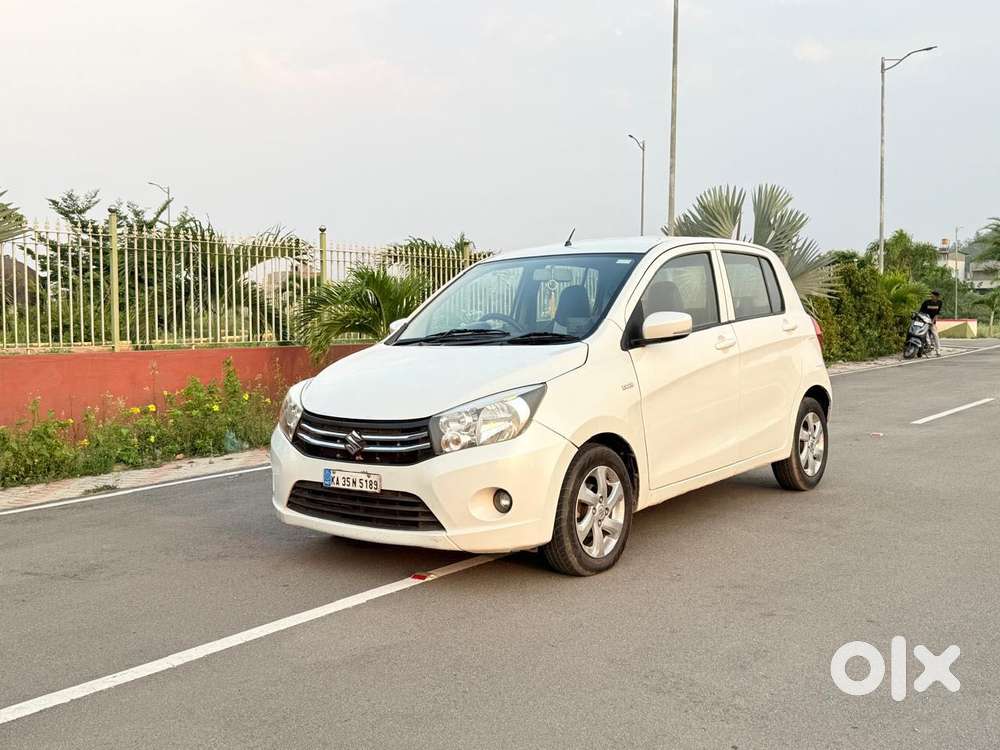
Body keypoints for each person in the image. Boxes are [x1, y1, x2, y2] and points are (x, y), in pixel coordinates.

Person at [919, 290, 944, 356]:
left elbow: (937, 314)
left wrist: (932, 321)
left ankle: (938, 351)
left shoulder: (939, 303)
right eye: (931, 295)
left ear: (936, 297)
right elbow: (921, 312)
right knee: (925, 333)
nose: (931, 296)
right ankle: (928, 346)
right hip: (924, 320)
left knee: (935, 335)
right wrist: (924, 319)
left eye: (933, 295)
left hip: (932, 321)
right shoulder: (926, 302)